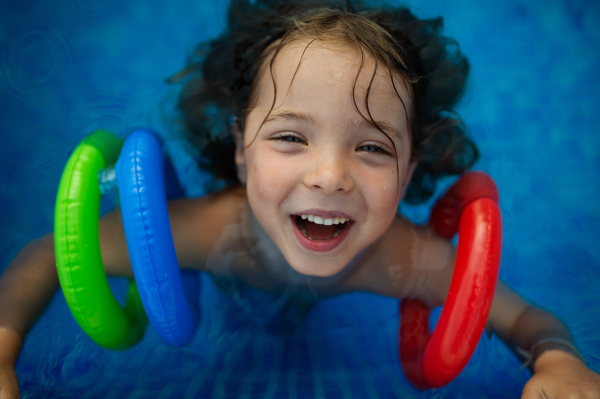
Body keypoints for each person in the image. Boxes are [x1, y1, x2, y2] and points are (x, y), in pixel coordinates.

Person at [1, 0, 599, 398]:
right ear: (241, 150)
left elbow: (523, 318)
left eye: (371, 149)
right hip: (235, 285)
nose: (331, 175)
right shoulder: (208, 231)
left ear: (410, 167)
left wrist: (557, 360)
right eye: (290, 137)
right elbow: (52, 255)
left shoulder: (402, 260)